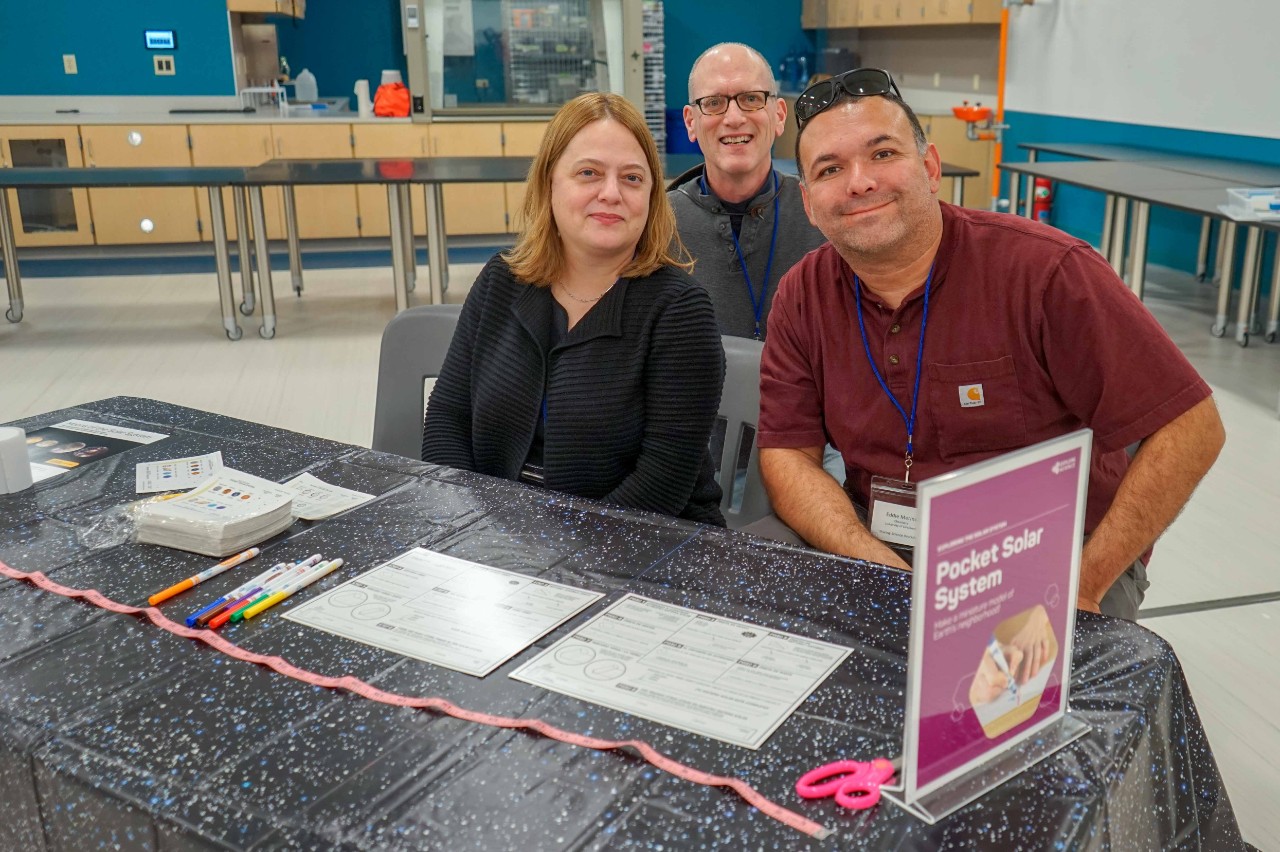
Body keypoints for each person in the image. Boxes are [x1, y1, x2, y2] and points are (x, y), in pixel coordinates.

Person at [756, 68, 1225, 621]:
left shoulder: (1046, 273)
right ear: (809, 204)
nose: (860, 182)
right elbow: (788, 454)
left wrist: (1084, 583)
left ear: (930, 169)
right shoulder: (803, 295)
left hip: (1052, 555)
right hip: (880, 544)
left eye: (882, 154)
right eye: (831, 168)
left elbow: (1192, 427)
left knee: (997, 705)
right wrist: (877, 566)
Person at [422, 92, 726, 525]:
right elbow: (448, 417)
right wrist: (470, 523)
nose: (611, 193)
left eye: (633, 179)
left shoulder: (680, 311)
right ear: (549, 183)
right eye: (589, 173)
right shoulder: (501, 281)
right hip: (497, 539)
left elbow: (663, 481)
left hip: (644, 545)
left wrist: (549, 551)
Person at [668, 43, 827, 340]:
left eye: (751, 99)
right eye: (714, 102)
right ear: (691, 122)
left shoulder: (823, 214)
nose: (734, 118)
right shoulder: (658, 226)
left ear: (779, 115)